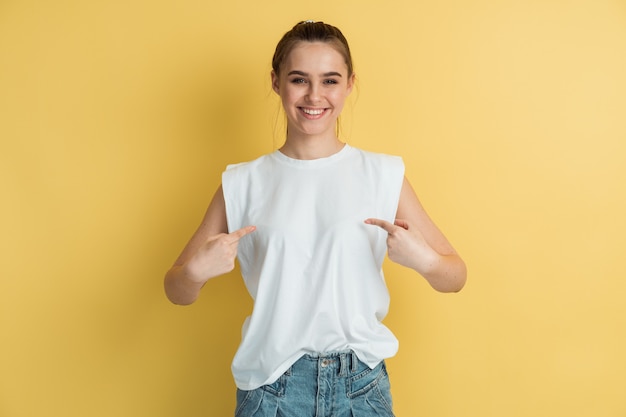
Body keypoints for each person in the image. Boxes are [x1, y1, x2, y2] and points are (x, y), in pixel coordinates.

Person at [164, 20, 466, 417]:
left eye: (330, 81)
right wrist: (196, 273)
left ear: (349, 84)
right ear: (276, 82)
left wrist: (423, 260)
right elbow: (176, 288)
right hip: (271, 390)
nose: (314, 95)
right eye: (299, 79)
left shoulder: (383, 175)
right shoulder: (242, 182)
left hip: (360, 388)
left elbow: (455, 275)